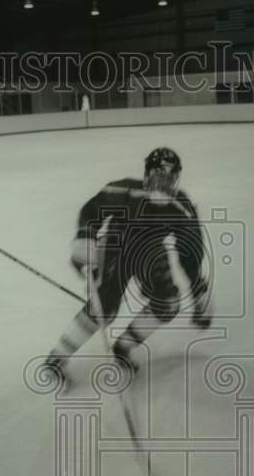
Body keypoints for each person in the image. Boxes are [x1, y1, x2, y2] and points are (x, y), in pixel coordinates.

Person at [43, 147, 213, 389]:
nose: (163, 185)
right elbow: (91, 212)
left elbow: (190, 253)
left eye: (170, 179)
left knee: (168, 303)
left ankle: (122, 347)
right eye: (158, 177)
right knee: (105, 307)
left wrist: (198, 290)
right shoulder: (123, 190)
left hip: (151, 251)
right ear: (146, 176)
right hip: (116, 245)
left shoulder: (180, 207)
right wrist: (85, 239)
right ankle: (56, 359)